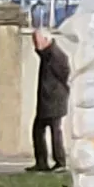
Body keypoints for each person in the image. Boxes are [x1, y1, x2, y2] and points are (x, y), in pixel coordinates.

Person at [30, 29, 72, 173]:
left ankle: (60, 162)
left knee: (55, 132)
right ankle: (41, 162)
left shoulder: (56, 56)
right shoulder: (47, 54)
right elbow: (40, 52)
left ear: (46, 40)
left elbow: (65, 75)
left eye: (37, 40)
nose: (34, 44)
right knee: (38, 130)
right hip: (45, 101)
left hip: (55, 100)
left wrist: (59, 91)